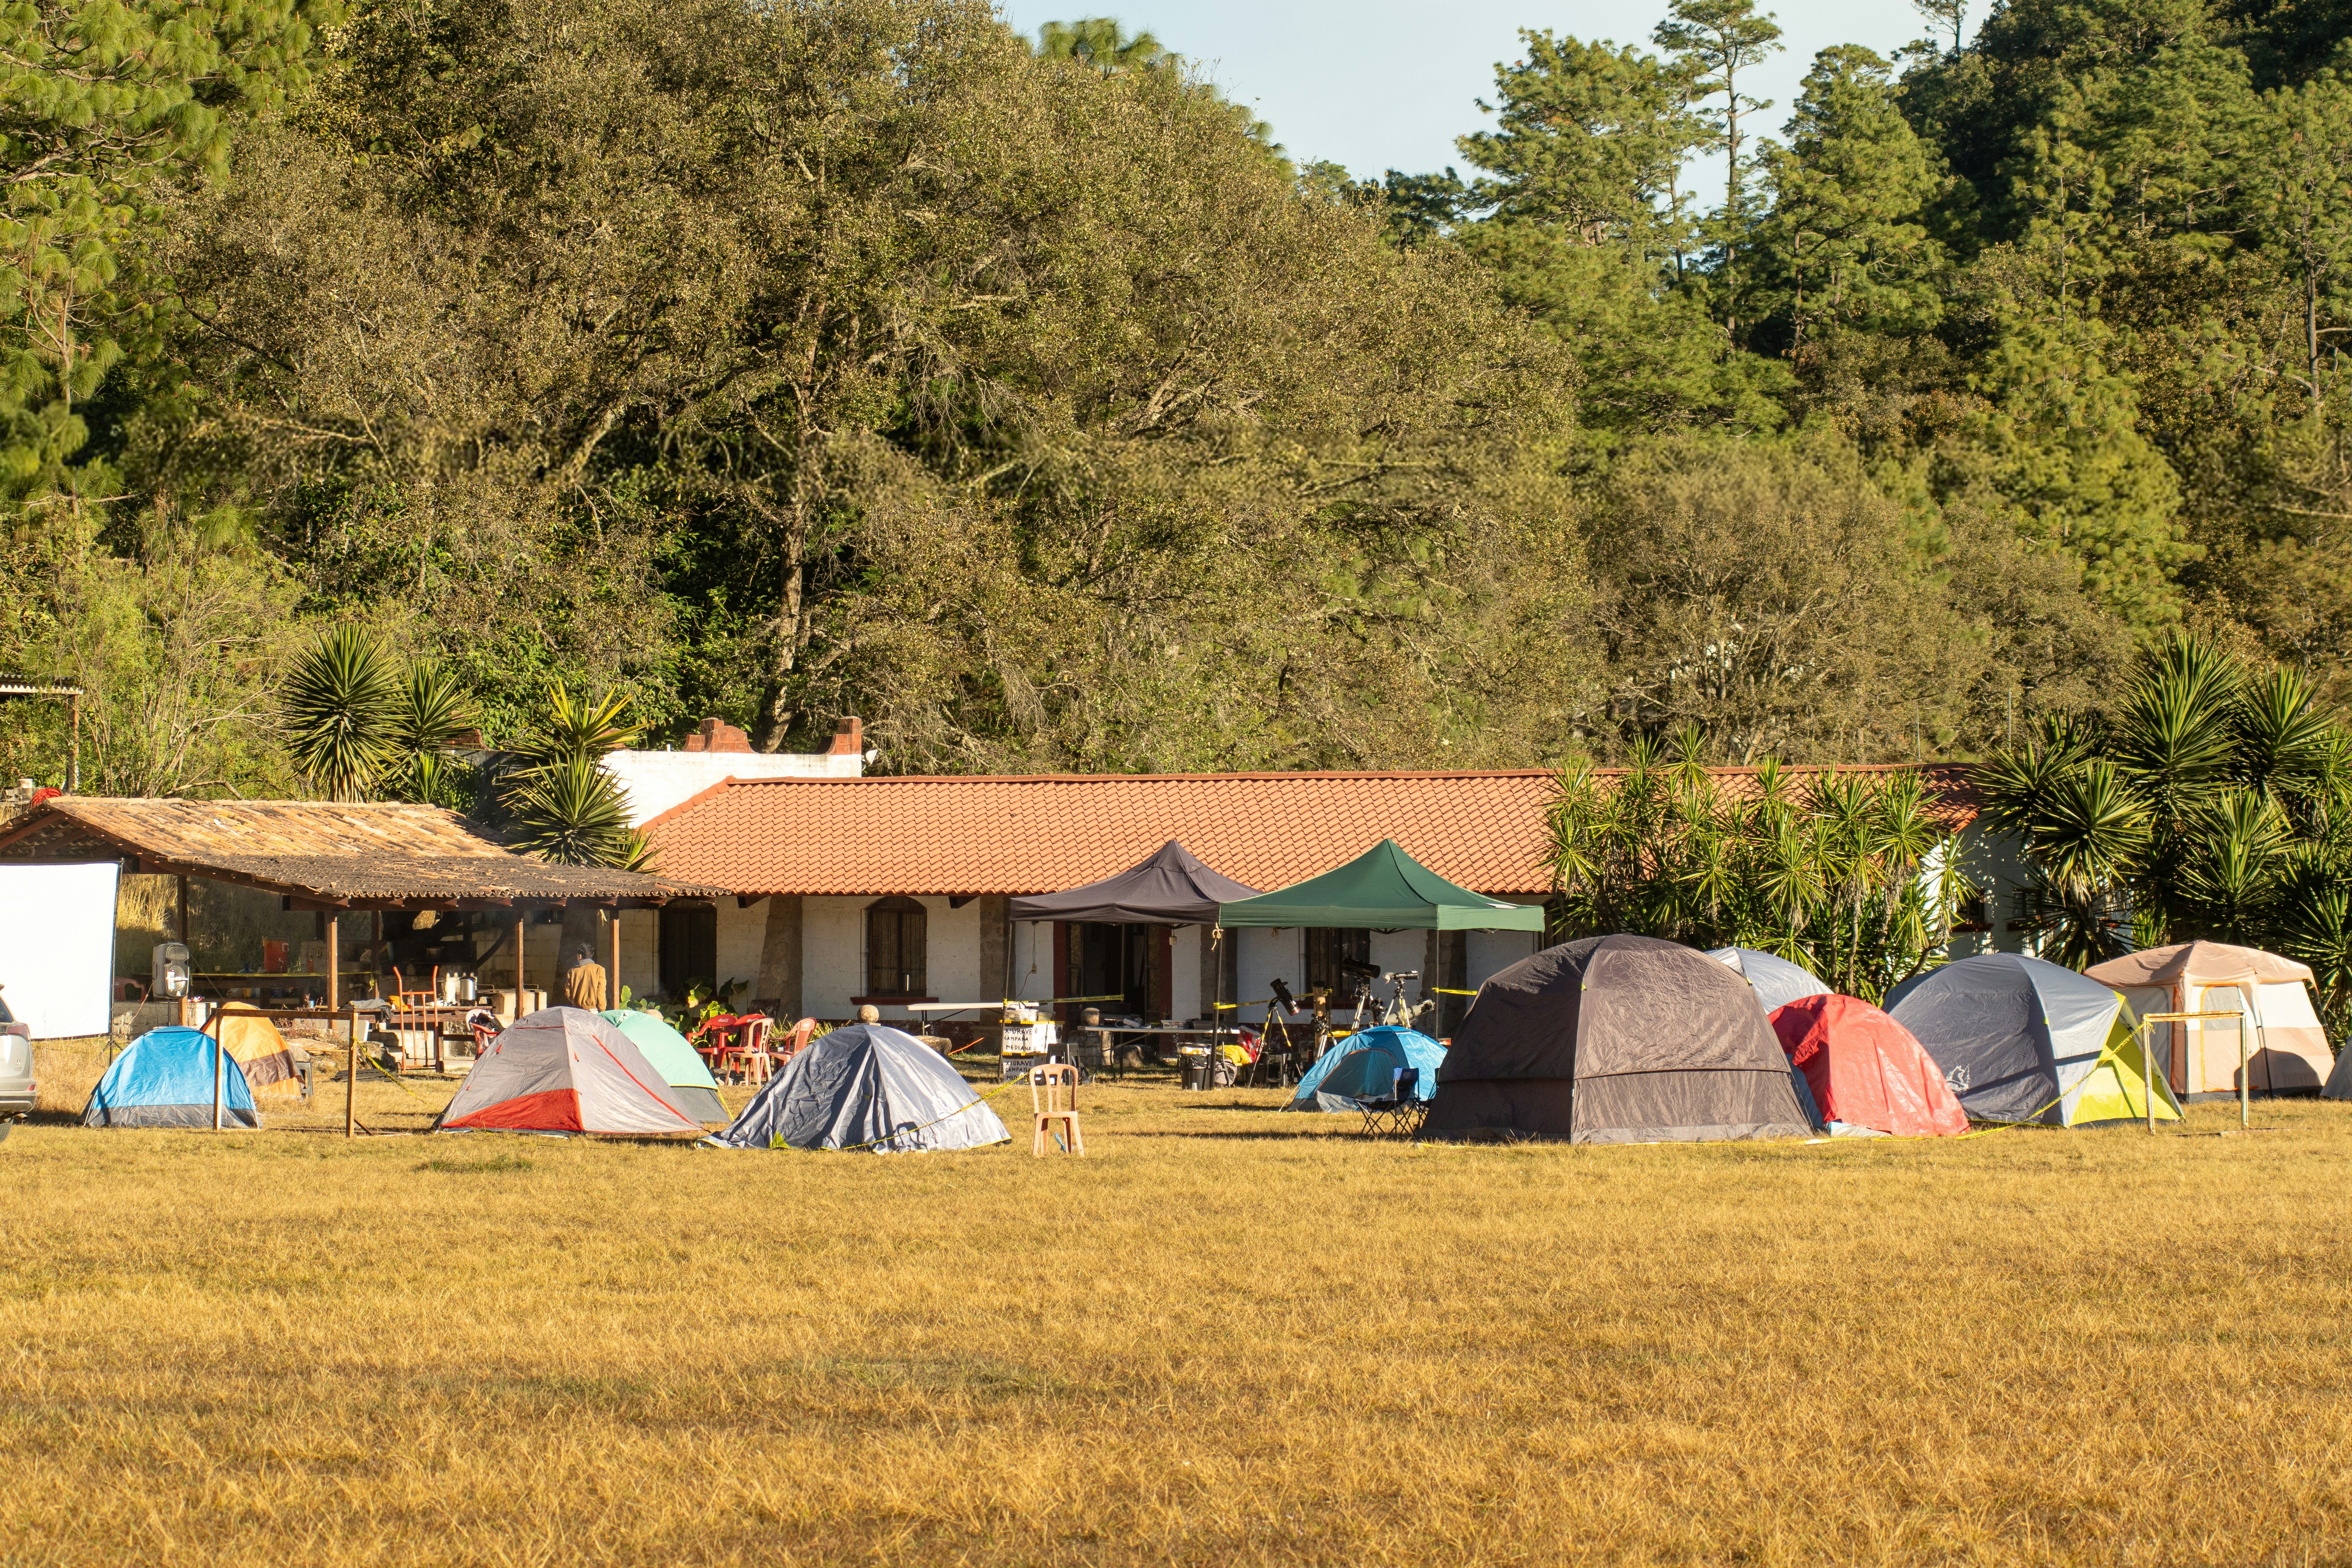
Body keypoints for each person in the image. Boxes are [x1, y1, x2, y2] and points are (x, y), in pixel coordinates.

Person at [561, 944, 608, 1011]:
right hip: (593, 1011)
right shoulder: (599, 969)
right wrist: (602, 1010)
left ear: (580, 956)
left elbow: (568, 992)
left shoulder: (572, 971)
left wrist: (575, 1002)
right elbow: (601, 991)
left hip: (577, 1011)